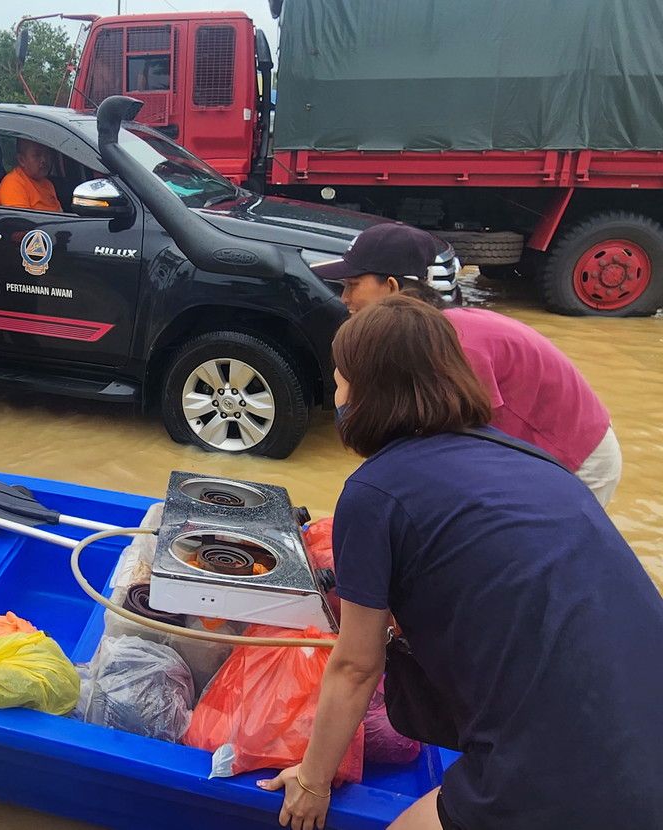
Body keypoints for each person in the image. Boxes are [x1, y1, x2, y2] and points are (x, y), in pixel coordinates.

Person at [257, 295, 663, 830]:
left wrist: (311, 783)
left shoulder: (375, 492)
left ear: (367, 392)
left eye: (339, 381)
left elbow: (356, 666)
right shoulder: (532, 459)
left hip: (573, 775)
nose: (336, 394)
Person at [313, 223, 622, 504]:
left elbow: (462, 453)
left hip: (577, 458)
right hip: (527, 452)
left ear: (391, 287)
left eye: (352, 284)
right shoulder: (427, 335)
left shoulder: (456, 345)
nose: (344, 298)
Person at [0, 138, 62, 212]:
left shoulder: (48, 184)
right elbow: (21, 221)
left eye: (47, 154)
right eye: (37, 155)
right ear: (21, 160)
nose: (44, 160)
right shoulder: (13, 184)